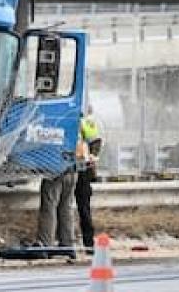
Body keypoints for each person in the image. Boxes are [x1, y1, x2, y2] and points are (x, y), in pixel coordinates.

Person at [76, 105, 102, 250]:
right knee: (82, 207)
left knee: (83, 208)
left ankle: (88, 242)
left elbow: (96, 142)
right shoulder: (85, 120)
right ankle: (86, 243)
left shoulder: (86, 121)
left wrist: (92, 156)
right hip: (76, 167)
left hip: (81, 169)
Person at [37, 168, 77, 249]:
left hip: (54, 171)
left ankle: (46, 244)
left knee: (49, 207)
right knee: (66, 208)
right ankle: (67, 244)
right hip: (72, 171)